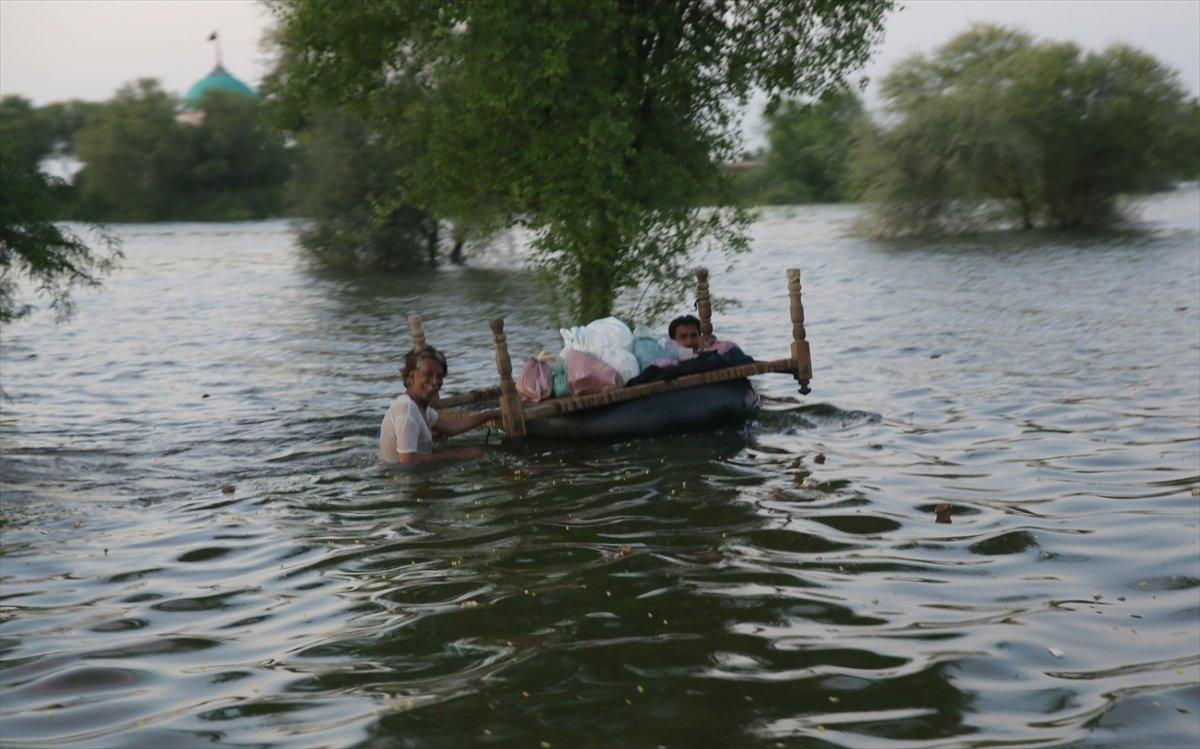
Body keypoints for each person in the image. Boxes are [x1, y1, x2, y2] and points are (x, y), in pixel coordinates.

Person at [379, 346, 497, 466]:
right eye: (428, 374)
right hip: (402, 482)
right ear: (411, 377)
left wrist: (493, 414)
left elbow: (452, 427)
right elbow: (406, 461)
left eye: (439, 376)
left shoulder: (420, 408)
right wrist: (458, 455)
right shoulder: (407, 410)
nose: (435, 382)